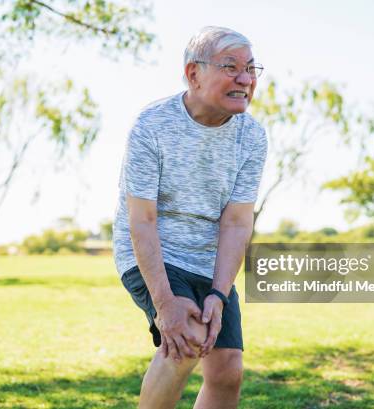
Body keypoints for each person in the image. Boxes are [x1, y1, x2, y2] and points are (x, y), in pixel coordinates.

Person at [113, 26, 267, 409]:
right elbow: (142, 219)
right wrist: (165, 303)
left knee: (227, 369)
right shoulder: (152, 125)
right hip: (154, 252)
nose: (245, 79)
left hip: (209, 259)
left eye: (251, 69)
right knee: (185, 341)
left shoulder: (252, 136)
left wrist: (219, 291)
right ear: (193, 73)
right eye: (231, 67)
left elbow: (236, 222)